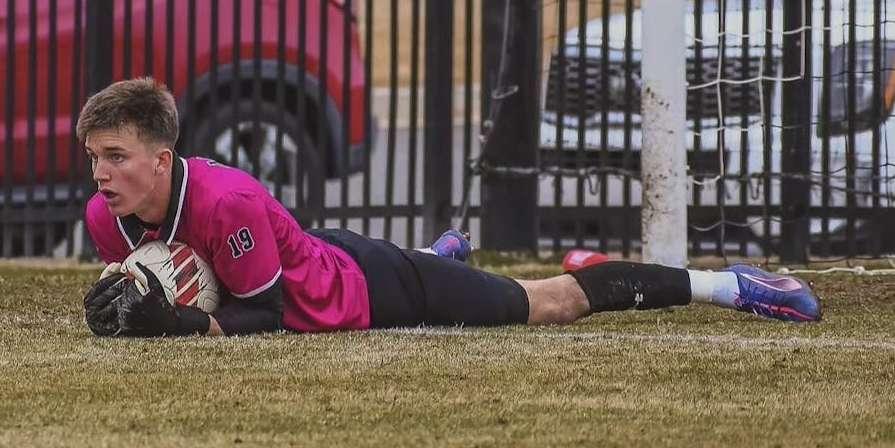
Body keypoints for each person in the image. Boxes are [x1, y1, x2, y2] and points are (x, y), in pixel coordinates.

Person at [79, 77, 821, 338]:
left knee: (550, 303)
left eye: (117, 156)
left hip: (370, 288)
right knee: (438, 274)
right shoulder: (100, 217)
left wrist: (175, 325)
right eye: (94, 157)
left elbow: (266, 317)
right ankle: (442, 259)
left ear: (163, 159)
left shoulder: (230, 201)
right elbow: (165, 285)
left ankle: (729, 284)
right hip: (318, 255)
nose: (103, 174)